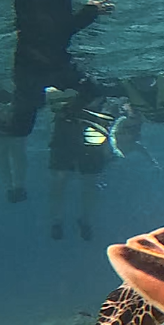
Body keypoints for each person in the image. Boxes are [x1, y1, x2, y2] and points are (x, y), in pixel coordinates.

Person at [0, 0, 114, 203]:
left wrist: (90, 11)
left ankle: (67, 111)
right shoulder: (26, 1)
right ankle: (11, 117)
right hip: (32, 70)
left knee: (91, 91)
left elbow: (63, 30)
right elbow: (59, 32)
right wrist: (91, 11)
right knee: (20, 126)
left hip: (55, 66)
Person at [44, 83, 117, 240]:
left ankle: (80, 220)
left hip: (82, 137)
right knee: (63, 182)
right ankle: (62, 221)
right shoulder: (67, 86)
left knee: (82, 183)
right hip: (69, 136)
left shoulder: (92, 88)